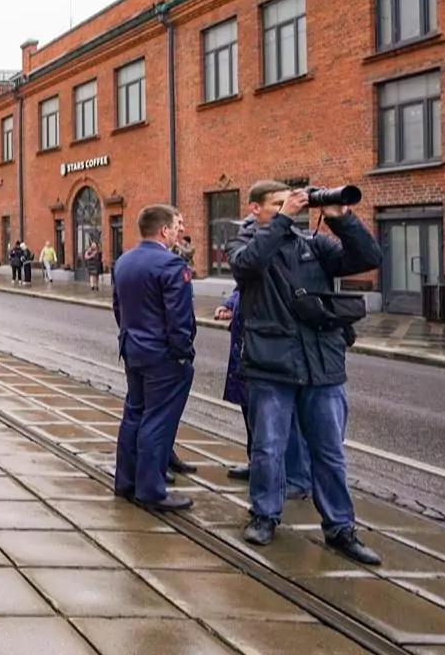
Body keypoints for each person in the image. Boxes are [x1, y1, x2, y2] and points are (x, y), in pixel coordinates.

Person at [228, 180, 383, 564]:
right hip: (272, 365)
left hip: (322, 364)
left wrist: (341, 219)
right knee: (268, 449)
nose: (289, 209)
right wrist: (282, 221)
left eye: (290, 203)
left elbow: (368, 257)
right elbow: (249, 266)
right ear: (256, 210)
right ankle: (264, 515)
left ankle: (340, 527)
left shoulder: (313, 244)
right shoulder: (244, 244)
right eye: (278, 204)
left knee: (329, 453)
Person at [111, 204, 196, 512]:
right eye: (176, 226)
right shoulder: (171, 265)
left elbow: (119, 308)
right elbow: (180, 318)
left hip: (133, 349)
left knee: (134, 414)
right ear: (163, 230)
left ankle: (126, 481)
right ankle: (151, 490)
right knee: (157, 421)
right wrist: (183, 354)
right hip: (163, 355)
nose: (179, 231)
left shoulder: (124, 261)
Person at [216, 281, 312, 496]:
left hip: (273, 354)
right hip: (247, 353)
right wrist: (230, 304)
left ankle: (296, 478)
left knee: (285, 419)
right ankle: (258, 467)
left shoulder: (287, 263)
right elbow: (243, 288)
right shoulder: (255, 262)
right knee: (252, 413)